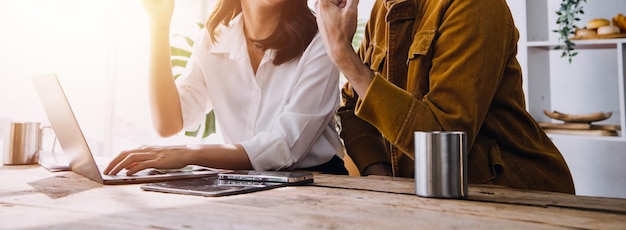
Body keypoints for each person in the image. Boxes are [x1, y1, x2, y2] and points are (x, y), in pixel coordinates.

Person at [314, 0, 575, 193]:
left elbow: (444, 140)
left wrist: (343, 55)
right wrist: (379, 173)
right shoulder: (383, 9)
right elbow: (351, 106)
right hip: (420, 194)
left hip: (511, 191)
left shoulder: (475, 6)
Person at [104, 0, 348, 176]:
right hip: (245, 183)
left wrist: (190, 152)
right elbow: (169, 122)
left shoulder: (322, 41)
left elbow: (285, 148)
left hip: (317, 182)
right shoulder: (215, 39)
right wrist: (159, 23)